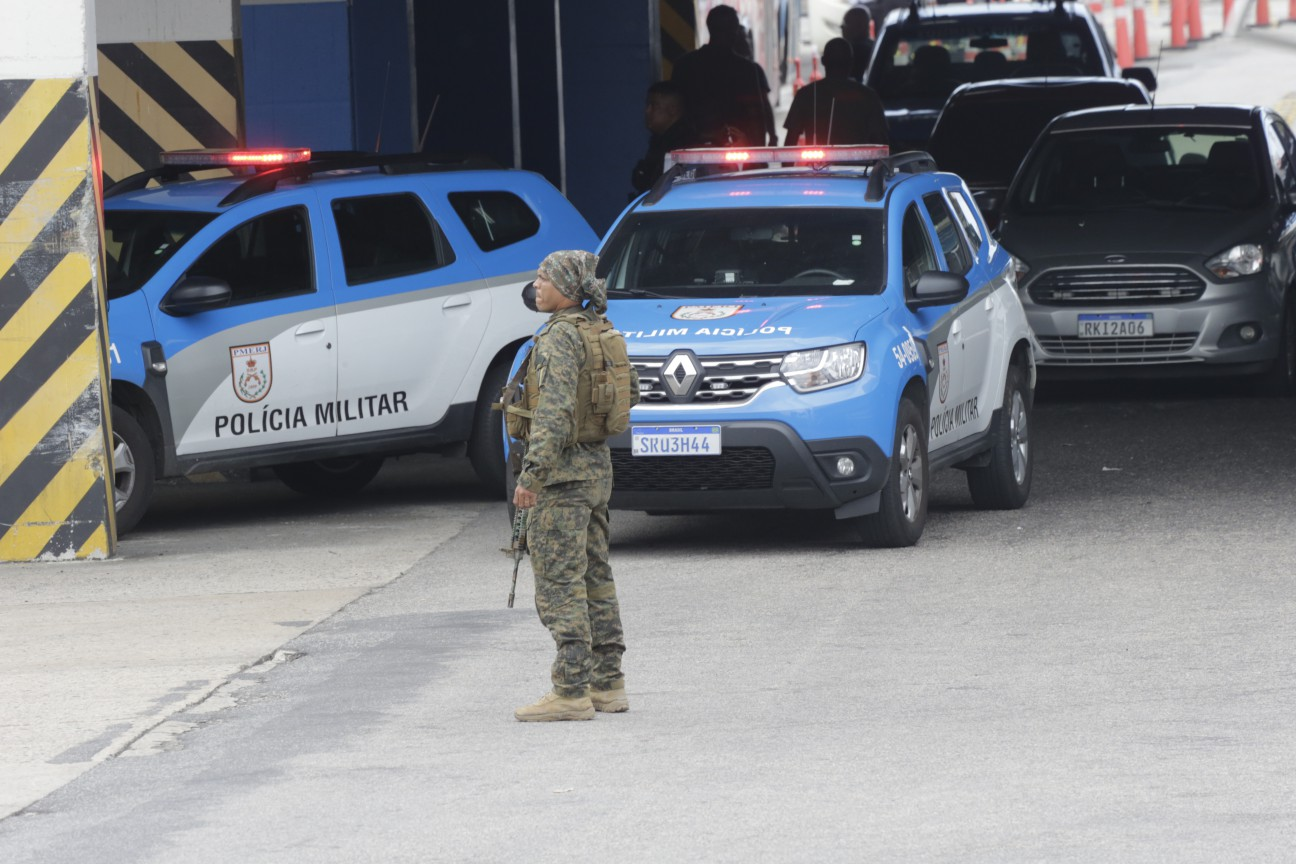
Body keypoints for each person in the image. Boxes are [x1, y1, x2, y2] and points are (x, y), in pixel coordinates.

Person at [512, 250, 637, 722]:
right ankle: (609, 683)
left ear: (567, 287)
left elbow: (555, 411)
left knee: (560, 583)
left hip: (562, 479)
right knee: (595, 575)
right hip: (596, 469)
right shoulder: (600, 330)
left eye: (545, 277)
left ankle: (569, 690)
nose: (536, 284)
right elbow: (631, 394)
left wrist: (532, 476)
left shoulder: (561, 338)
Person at [672, 4, 777, 146]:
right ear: (735, 31)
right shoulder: (749, 70)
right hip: (740, 147)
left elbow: (675, 112)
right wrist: (767, 143)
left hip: (694, 145)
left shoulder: (683, 66)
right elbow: (759, 113)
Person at [783, 38, 889, 147]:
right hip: (860, 163)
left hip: (817, 163)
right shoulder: (868, 96)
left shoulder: (805, 95)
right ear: (851, 62)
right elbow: (881, 141)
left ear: (823, 61)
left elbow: (790, 140)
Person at [631, 81, 697, 194]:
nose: (647, 111)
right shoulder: (660, 142)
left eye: (654, 105)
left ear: (672, 109)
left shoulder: (684, 146)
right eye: (647, 105)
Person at [841, 5, 874, 84]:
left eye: (846, 22)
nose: (841, 26)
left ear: (860, 26)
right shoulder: (875, 47)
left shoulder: (852, 52)